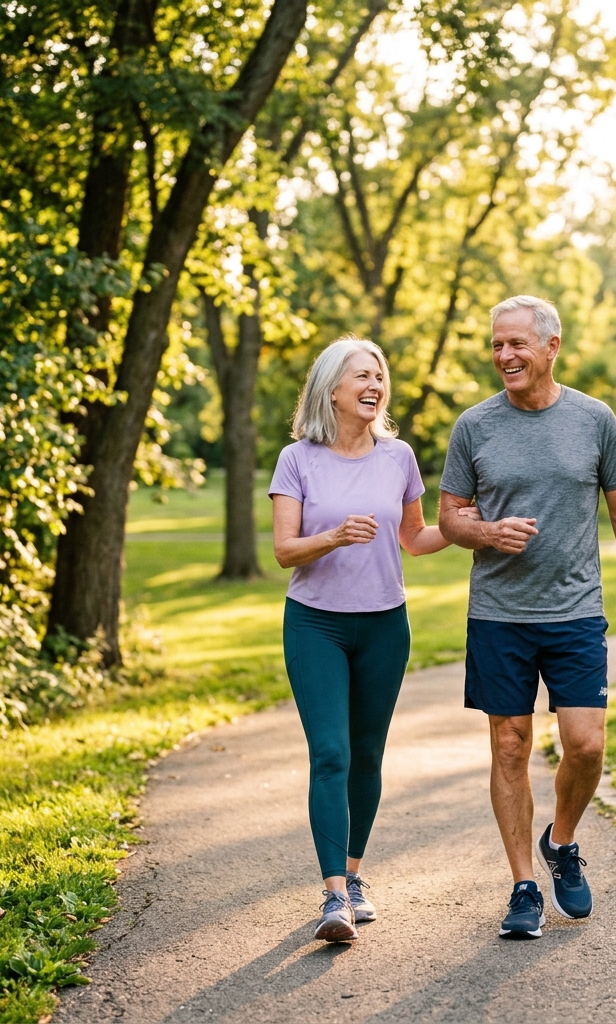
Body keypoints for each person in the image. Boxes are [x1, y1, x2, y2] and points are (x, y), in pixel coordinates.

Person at [438, 295, 616, 940]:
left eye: (517, 344)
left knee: (586, 745)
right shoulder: (474, 426)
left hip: (575, 610)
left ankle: (560, 842)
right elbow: (448, 517)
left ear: (551, 346)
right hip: (499, 615)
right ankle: (523, 886)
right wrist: (485, 532)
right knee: (509, 744)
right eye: (496, 344)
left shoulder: (594, 419)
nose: (504, 355)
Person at [269, 336, 472, 943]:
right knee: (331, 753)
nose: (374, 385)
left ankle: (354, 876)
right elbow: (284, 551)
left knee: (367, 752)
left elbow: (416, 538)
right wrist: (333, 536)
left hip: (385, 624)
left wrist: (466, 525)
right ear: (332, 388)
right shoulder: (297, 459)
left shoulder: (398, 456)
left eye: (379, 376)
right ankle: (334, 895)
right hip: (317, 624)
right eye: (362, 375)